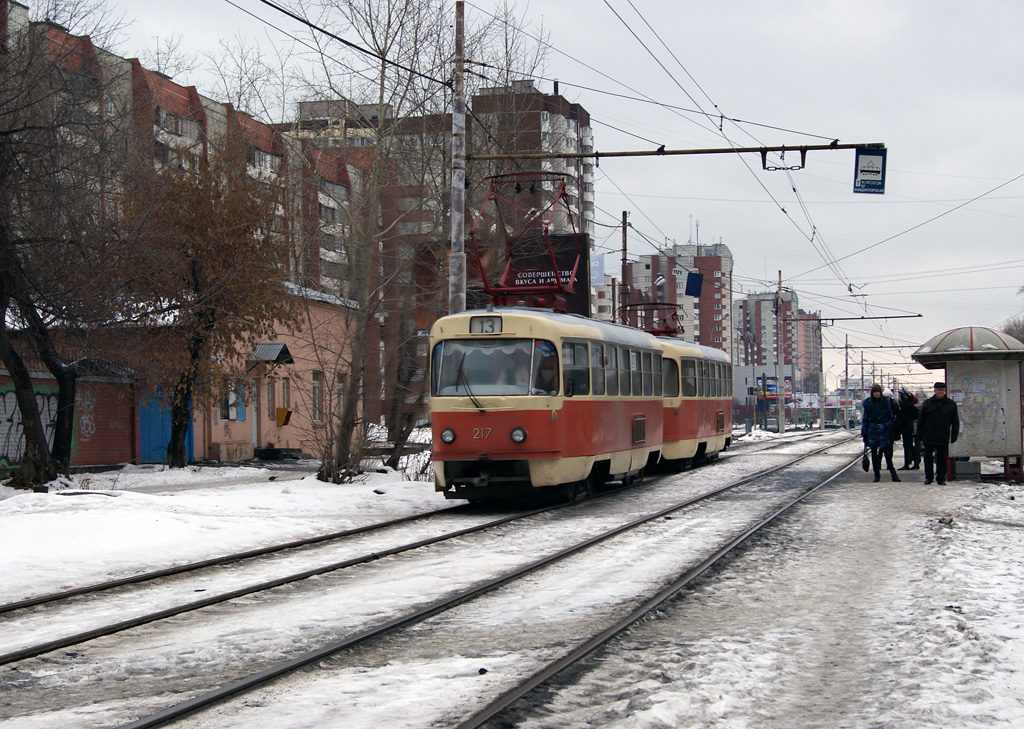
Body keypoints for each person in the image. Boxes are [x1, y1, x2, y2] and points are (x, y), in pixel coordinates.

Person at [918, 381, 960, 485]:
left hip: (943, 435)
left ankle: (940, 478)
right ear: (935, 390)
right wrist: (920, 435)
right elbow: (921, 420)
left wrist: (954, 435)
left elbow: (955, 422)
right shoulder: (927, 403)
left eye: (942, 390)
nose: (940, 392)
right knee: (928, 458)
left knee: (942, 458)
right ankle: (929, 477)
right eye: (938, 390)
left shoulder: (950, 404)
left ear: (945, 391)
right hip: (929, 435)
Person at [861, 383, 900, 482]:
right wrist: (864, 433)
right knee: (874, 454)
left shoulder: (885, 403)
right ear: (872, 393)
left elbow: (891, 417)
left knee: (887, 453)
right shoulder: (868, 404)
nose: (877, 394)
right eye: (875, 392)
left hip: (883, 430)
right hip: (873, 429)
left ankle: (893, 474)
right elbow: (865, 419)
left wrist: (886, 425)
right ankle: (876, 475)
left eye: (878, 392)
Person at [896, 387, 921, 470]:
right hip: (909, 426)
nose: (898, 395)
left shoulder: (904, 404)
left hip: (905, 426)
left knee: (908, 446)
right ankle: (916, 462)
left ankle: (909, 463)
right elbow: (914, 414)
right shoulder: (910, 403)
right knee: (909, 445)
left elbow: (903, 416)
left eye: (899, 393)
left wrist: (899, 421)